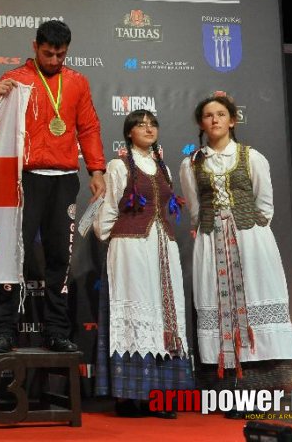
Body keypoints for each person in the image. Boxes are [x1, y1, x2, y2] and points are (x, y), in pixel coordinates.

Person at [0, 19, 106, 353]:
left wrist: (96, 169)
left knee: (59, 258)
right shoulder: (14, 80)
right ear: (34, 46)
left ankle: (56, 330)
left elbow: (89, 128)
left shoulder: (77, 83)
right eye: (48, 53)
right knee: (13, 255)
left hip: (64, 179)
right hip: (23, 178)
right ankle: (5, 330)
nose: (54, 61)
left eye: (61, 55)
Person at [179, 93, 292, 413]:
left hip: (250, 243)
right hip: (211, 242)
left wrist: (244, 227)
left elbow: (265, 205)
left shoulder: (251, 157)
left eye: (220, 114)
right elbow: (194, 208)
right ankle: (226, 390)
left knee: (252, 301)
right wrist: (214, 227)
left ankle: (262, 389)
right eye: (207, 115)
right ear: (201, 123)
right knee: (218, 308)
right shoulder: (192, 163)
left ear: (232, 120)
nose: (214, 120)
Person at [94, 110, 192, 418]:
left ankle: (158, 397)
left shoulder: (163, 168)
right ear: (128, 133)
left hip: (163, 248)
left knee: (165, 314)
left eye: (152, 123)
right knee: (135, 307)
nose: (148, 128)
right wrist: (121, 238)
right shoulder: (119, 165)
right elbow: (107, 213)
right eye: (140, 124)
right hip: (132, 248)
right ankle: (128, 397)